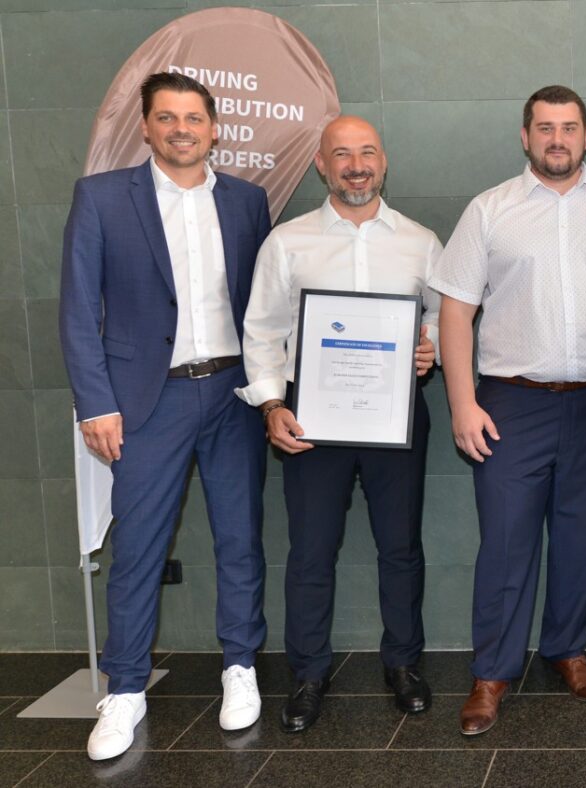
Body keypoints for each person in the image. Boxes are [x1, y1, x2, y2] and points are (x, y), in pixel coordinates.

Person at [59, 72, 270, 760]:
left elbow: (266, 304)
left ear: (215, 129)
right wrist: (96, 402)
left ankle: (240, 666)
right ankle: (124, 689)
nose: (182, 129)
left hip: (234, 395)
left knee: (239, 538)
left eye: (194, 118)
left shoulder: (247, 201)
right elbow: (77, 309)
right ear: (146, 127)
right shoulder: (101, 198)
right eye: (168, 117)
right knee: (138, 549)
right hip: (147, 400)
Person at [430, 85, 586, 736]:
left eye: (569, 127)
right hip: (510, 402)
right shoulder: (490, 210)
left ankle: (567, 650)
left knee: (579, 537)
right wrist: (461, 403)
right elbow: (455, 311)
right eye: (545, 127)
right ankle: (492, 672)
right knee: (505, 541)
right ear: (525, 136)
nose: (557, 139)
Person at [238, 116, 441, 732]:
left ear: (384, 161)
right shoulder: (288, 242)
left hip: (395, 414)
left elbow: (442, 319)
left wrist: (429, 347)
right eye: (342, 154)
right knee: (311, 551)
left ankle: (403, 664)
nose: (357, 166)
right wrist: (272, 406)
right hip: (311, 419)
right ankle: (307, 674)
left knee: (401, 547)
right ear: (322, 165)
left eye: (367, 152)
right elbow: (262, 331)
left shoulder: (421, 242)